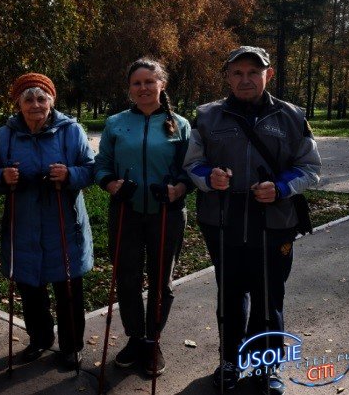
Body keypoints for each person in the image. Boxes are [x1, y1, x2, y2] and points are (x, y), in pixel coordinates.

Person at [183, 46, 321, 394]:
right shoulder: (206, 116)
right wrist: (208, 177)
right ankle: (230, 361)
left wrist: (280, 187)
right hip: (223, 223)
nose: (245, 79)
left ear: (268, 75)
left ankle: (266, 367)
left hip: (275, 224)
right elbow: (191, 163)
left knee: (269, 299)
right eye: (237, 73)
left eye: (253, 72)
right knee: (229, 298)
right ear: (227, 76)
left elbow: (310, 168)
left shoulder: (292, 116)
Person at [0, 73, 96, 369]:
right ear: (18, 104)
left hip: (63, 223)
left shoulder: (71, 130)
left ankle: (72, 346)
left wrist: (69, 175)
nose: (36, 104)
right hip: (23, 225)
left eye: (41, 98)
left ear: (51, 101)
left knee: (68, 289)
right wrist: (3, 177)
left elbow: (91, 169)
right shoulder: (6, 134)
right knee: (30, 289)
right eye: (28, 99)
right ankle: (40, 339)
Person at [94, 59, 192, 378]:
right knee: (127, 277)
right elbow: (101, 164)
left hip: (167, 212)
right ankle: (136, 338)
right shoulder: (116, 123)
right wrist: (111, 184)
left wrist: (179, 189)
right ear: (129, 89)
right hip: (126, 210)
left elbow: (191, 169)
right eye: (137, 83)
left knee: (161, 280)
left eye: (150, 81)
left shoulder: (179, 124)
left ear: (161, 84)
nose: (143, 88)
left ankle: (153, 340)